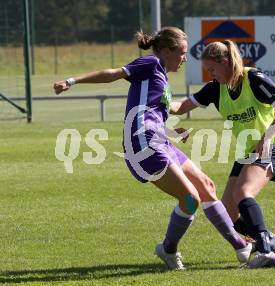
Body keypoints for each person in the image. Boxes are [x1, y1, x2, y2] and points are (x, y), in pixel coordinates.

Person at [53, 28, 253, 271]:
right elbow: (112, 74)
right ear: (167, 51)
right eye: (181, 52)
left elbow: (151, 112)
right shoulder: (150, 63)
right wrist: (72, 81)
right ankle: (169, 250)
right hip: (143, 143)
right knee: (190, 199)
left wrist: (173, 130)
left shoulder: (161, 76)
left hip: (159, 139)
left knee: (207, 186)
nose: (184, 58)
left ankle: (240, 245)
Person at [170, 40, 275, 268]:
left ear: (225, 62)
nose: (211, 74)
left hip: (273, 144)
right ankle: (267, 242)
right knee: (228, 208)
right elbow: (181, 107)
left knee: (243, 192)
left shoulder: (253, 79)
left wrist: (266, 137)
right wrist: (157, 96)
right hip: (248, 151)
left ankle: (266, 251)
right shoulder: (215, 89)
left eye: (212, 69)